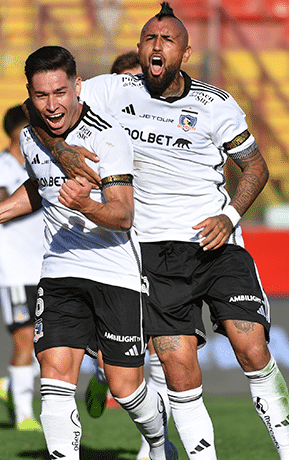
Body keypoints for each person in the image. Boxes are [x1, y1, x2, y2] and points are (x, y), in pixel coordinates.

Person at [24, 4, 289, 459]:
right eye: (149, 38)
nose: (157, 45)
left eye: (167, 39)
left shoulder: (216, 104)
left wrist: (230, 215)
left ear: (185, 51)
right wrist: (62, 150)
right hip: (153, 254)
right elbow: (39, 103)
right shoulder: (112, 90)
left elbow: (255, 166)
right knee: (176, 366)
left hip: (217, 245)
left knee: (251, 346)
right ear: (139, 48)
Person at [0, 45, 176, 460]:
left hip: (114, 273)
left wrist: (87, 205)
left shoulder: (106, 137)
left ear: (77, 86)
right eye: (41, 95)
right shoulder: (30, 137)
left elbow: (122, 214)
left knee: (125, 387)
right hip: (59, 269)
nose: (52, 104)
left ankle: (158, 442)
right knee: (55, 376)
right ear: (30, 93)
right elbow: (39, 187)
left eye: (60, 92)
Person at [82, 48, 179, 460]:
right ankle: (102, 371)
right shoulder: (96, 132)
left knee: (158, 344)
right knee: (114, 352)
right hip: (108, 245)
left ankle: (152, 446)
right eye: (125, 81)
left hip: (153, 242)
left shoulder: (162, 126)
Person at [0, 104, 43, 432]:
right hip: (15, 268)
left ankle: (8, 385)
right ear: (19, 131)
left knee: (51, 343)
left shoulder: (46, 162)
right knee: (25, 340)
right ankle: (24, 415)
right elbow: (2, 200)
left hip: (50, 264)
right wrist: (47, 192)